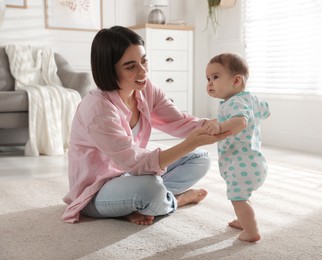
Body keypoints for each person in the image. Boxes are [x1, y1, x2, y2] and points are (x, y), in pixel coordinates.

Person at [62, 26, 230, 225]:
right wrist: (188, 144)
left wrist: (215, 125)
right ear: (109, 69)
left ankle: (135, 203)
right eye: (131, 66)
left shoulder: (145, 88)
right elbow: (133, 161)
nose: (143, 71)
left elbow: (177, 120)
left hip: (131, 174)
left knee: (200, 159)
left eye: (144, 60)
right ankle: (176, 199)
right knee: (150, 190)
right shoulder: (97, 109)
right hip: (96, 190)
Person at [203, 53, 270, 242]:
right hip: (254, 161)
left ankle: (251, 230)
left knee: (238, 198)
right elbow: (266, 110)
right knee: (241, 195)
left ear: (236, 80)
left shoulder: (235, 102)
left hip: (242, 165)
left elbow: (240, 122)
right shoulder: (249, 99)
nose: (209, 83)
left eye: (215, 77)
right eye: (208, 78)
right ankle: (243, 220)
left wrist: (220, 126)